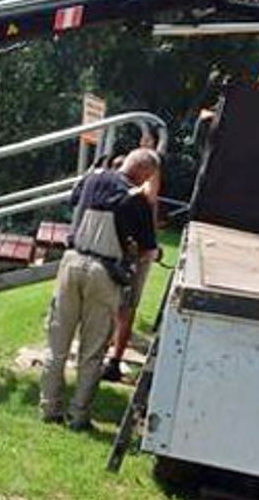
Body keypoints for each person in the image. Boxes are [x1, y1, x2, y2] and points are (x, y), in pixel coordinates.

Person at [40, 148, 160, 431]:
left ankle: (49, 408)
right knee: (92, 351)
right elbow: (149, 252)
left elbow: (73, 200)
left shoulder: (93, 178)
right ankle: (78, 416)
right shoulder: (137, 199)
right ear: (145, 173)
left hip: (71, 263)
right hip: (104, 273)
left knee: (57, 344)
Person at [102, 160, 162, 383]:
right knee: (123, 311)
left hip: (127, 260)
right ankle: (112, 360)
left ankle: (111, 360)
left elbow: (152, 187)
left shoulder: (116, 193)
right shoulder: (136, 198)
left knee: (121, 311)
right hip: (129, 260)